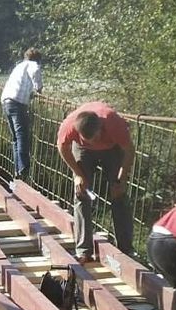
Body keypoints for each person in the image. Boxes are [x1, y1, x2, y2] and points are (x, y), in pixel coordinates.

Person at [57, 102, 136, 262]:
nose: (94, 142)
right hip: (82, 150)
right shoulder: (69, 126)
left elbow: (129, 150)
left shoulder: (114, 123)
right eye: (89, 139)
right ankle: (84, 251)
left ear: (101, 128)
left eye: (95, 138)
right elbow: (63, 148)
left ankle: (126, 250)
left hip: (111, 148)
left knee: (118, 194)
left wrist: (122, 177)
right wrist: (78, 174)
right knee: (81, 193)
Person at [0, 48, 43, 179]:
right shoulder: (33, 65)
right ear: (38, 59)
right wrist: (39, 88)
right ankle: (24, 169)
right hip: (17, 103)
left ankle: (18, 170)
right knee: (22, 136)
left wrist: (30, 94)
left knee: (15, 138)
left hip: (6, 101)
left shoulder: (19, 66)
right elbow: (35, 71)